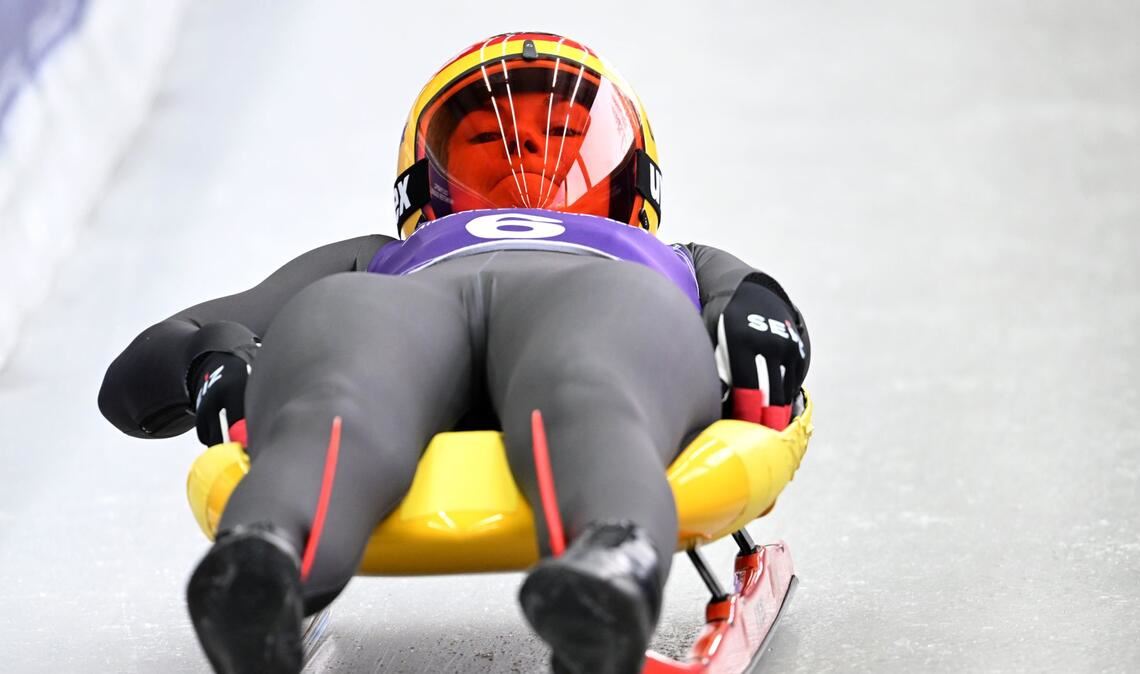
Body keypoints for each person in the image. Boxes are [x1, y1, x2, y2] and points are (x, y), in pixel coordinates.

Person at [98, 32, 811, 674]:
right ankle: (262, 564)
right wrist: (215, 357)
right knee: (347, 387)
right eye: (485, 141)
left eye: (562, 133)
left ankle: (605, 563)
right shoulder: (378, 260)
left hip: (598, 297)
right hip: (412, 307)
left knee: (583, 382)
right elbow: (143, 370)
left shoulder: (674, 259)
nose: (528, 153)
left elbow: (755, 304)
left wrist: (754, 316)